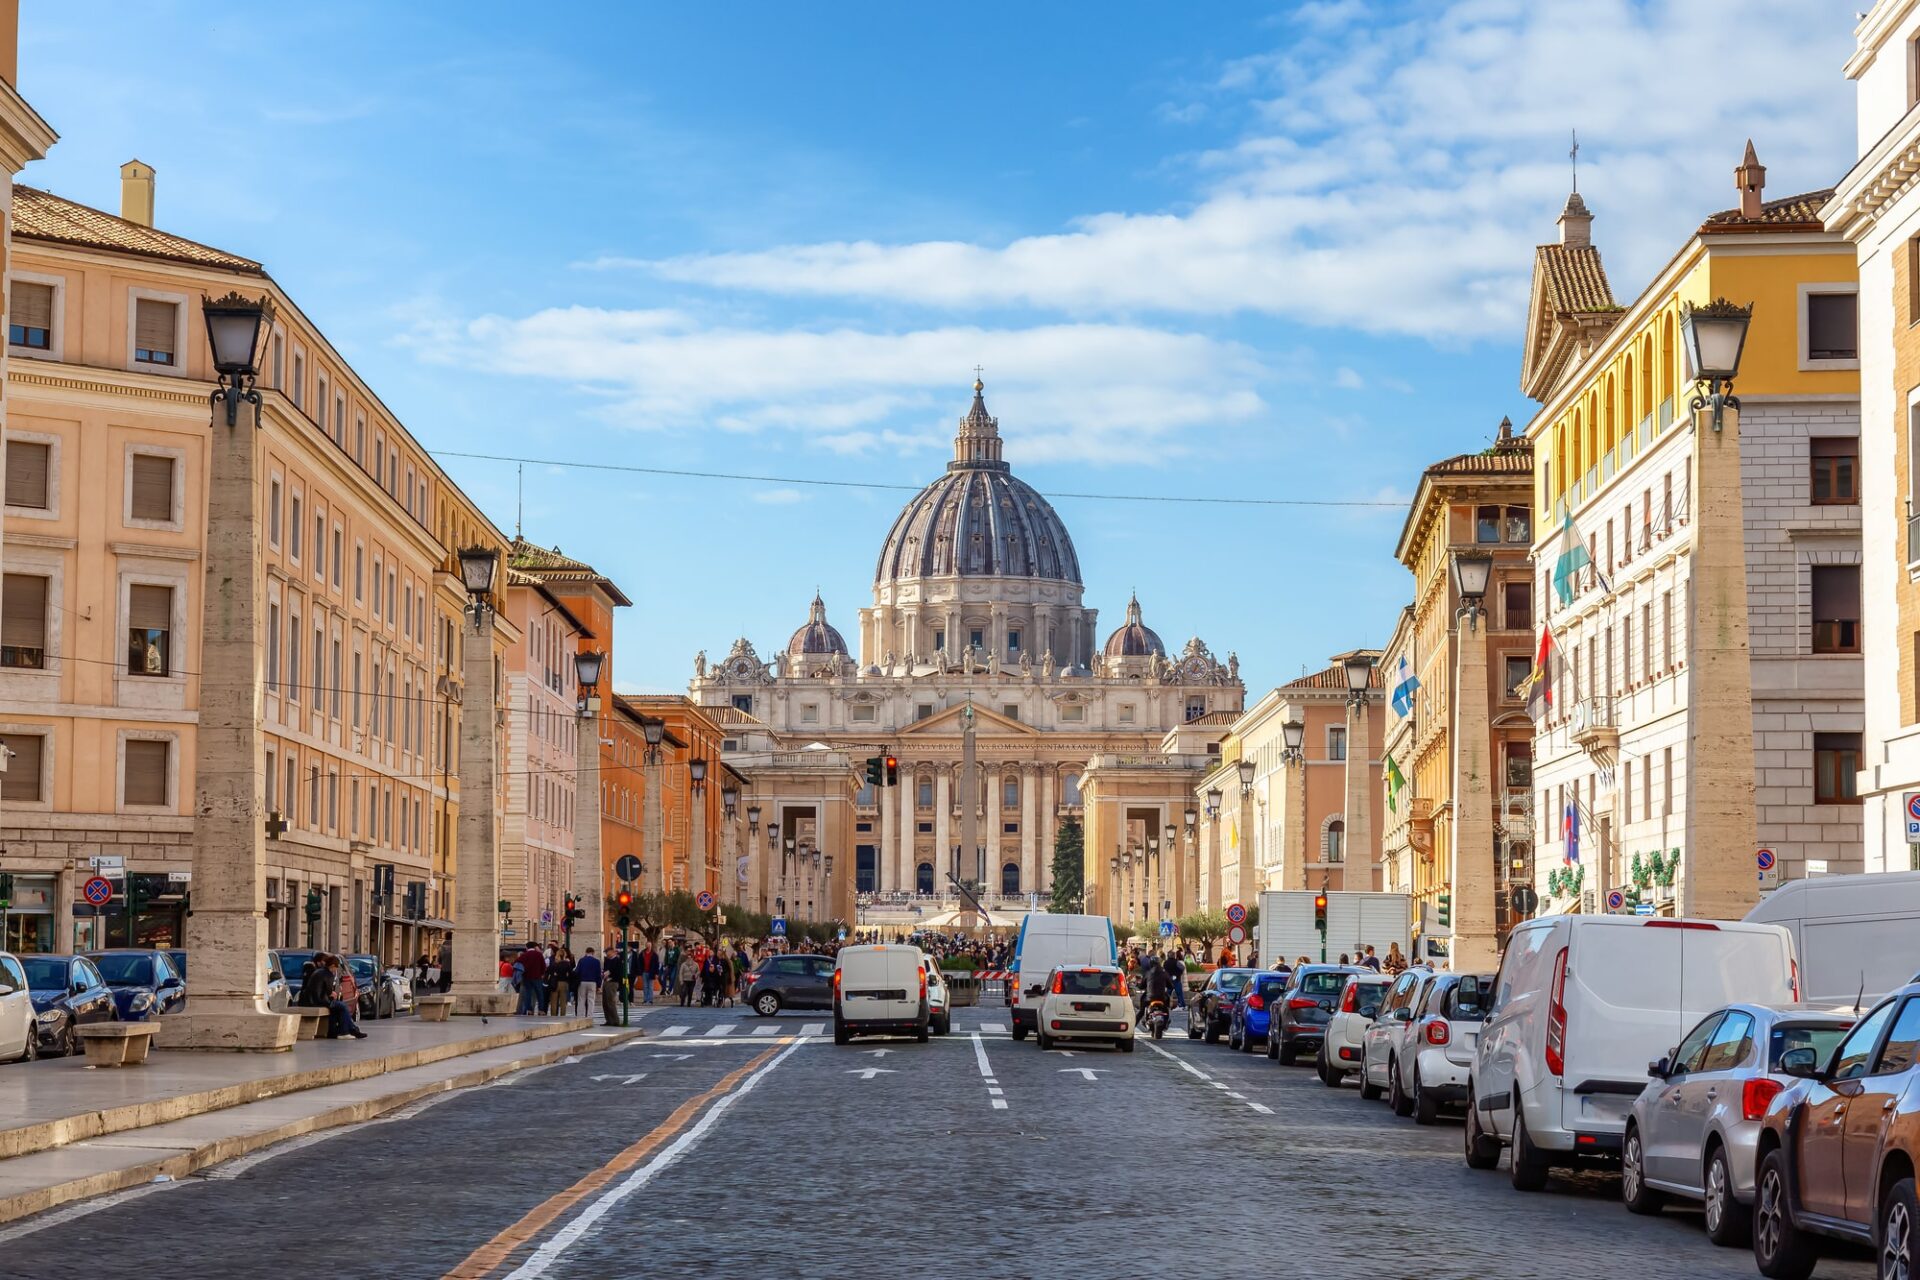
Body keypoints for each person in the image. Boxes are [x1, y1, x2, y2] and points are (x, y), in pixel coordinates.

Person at [305, 954, 367, 1040]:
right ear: (333, 966)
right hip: (320, 1001)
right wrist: (332, 994)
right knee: (343, 1006)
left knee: (339, 1008)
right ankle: (346, 1031)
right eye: (336, 967)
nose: (336, 970)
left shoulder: (319, 971)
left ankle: (344, 1031)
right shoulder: (328, 974)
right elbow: (329, 992)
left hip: (314, 1000)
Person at [516, 943, 548, 1016]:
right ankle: (541, 1010)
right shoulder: (539, 954)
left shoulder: (524, 955)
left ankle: (529, 1010)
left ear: (527, 947)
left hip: (527, 977)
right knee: (540, 994)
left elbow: (517, 962)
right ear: (534, 947)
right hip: (537, 977)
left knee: (528, 994)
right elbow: (543, 965)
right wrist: (542, 973)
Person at [602, 946, 627, 1025]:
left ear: (612, 952)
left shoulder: (618, 960)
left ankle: (615, 1020)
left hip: (613, 982)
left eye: (607, 952)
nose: (606, 954)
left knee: (611, 1002)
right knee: (605, 1002)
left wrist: (610, 975)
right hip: (606, 981)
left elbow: (619, 973)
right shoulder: (607, 961)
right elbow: (605, 969)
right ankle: (608, 1020)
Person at [574, 948, 602, 1018]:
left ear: (586, 952)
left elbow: (577, 971)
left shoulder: (581, 960)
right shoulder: (597, 961)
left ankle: (580, 1015)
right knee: (591, 1000)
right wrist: (599, 985)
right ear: (593, 953)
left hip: (582, 981)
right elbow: (598, 974)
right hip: (592, 982)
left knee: (581, 999)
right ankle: (590, 1015)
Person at [547, 949, 575, 1016]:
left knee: (553, 1001)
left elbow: (549, 972)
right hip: (564, 983)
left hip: (555, 983)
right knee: (563, 1001)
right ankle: (563, 1015)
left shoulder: (554, 964)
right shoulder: (567, 964)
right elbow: (571, 973)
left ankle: (553, 1015)